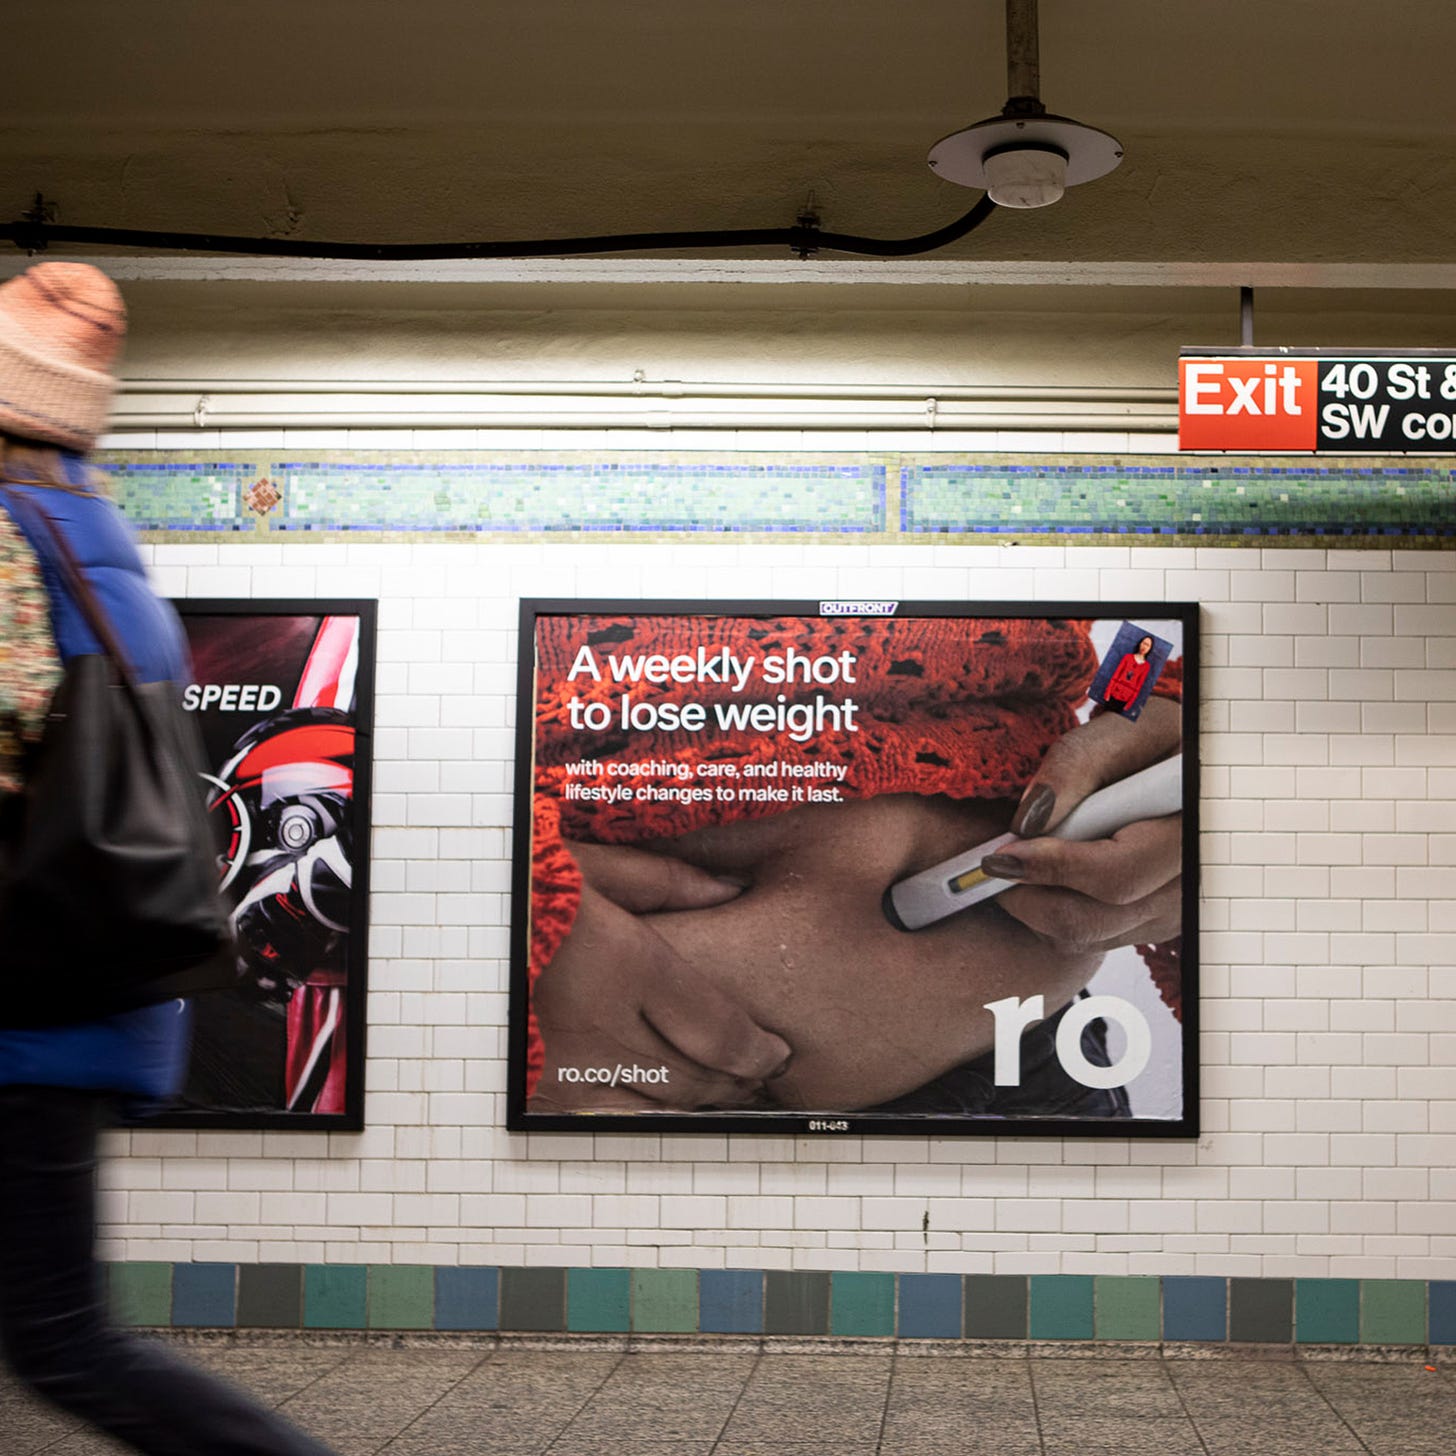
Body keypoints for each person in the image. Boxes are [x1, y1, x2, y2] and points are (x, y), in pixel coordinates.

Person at [0, 262, 338, 1456]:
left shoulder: (6, 539)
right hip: (88, 988)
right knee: (61, 1333)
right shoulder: (89, 530)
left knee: (63, 1338)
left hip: (26, 999)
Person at [524, 610, 1182, 1116]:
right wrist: (516, 930)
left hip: (1035, 1062)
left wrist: (1180, 724)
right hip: (643, 1086)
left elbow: (1154, 653)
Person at [1100, 633, 1156, 714]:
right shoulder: (1127, 658)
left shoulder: (1146, 666)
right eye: (1144, 643)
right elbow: (1115, 676)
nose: (1144, 646)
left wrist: (1129, 704)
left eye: (1148, 645)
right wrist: (1107, 692)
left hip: (1125, 699)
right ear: (1140, 643)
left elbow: (1138, 687)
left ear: (1150, 649)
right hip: (1113, 694)